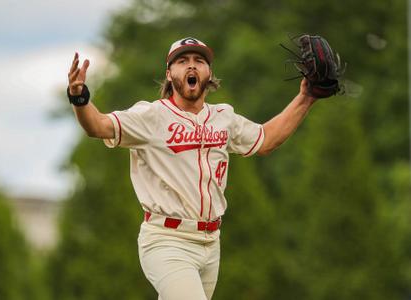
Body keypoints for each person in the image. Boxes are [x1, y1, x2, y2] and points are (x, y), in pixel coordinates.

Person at [67, 37, 316, 300]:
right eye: (182, 61)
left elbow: (265, 139)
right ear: (169, 74)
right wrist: (79, 96)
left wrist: (306, 97)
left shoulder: (223, 117)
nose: (191, 66)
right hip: (167, 240)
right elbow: (98, 126)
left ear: (209, 73)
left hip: (211, 242)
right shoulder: (151, 116)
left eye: (199, 61)